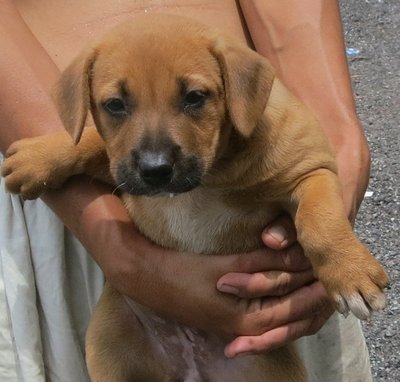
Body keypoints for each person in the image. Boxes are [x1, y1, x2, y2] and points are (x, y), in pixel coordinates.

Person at [0, 0, 372, 381]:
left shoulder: (263, 129)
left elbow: (307, 172)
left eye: (194, 98)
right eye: (115, 104)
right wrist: (115, 244)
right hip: (80, 208)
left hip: (266, 296)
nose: (156, 162)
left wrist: (337, 131)